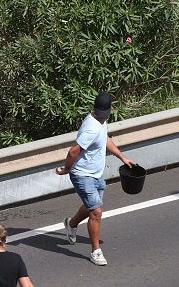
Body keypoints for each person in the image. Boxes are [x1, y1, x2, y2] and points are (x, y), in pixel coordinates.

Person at [55, 91, 133, 266]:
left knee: (93, 205)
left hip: (96, 173)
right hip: (82, 174)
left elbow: (105, 139)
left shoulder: (100, 120)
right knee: (96, 211)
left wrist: (122, 157)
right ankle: (95, 251)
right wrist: (67, 169)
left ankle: (71, 223)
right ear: (107, 109)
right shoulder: (91, 127)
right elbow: (73, 151)